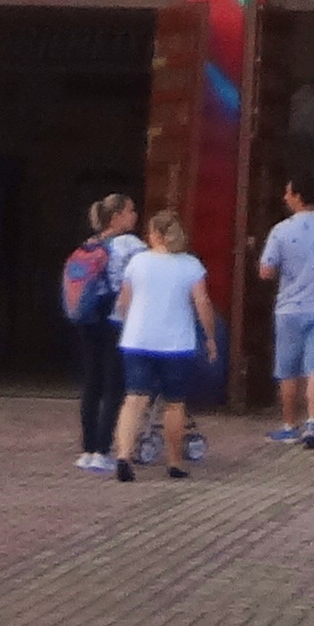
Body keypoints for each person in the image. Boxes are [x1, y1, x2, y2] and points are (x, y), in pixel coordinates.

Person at [108, 206, 213, 482]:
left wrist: (126, 322)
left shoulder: (138, 262)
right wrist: (210, 337)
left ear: (154, 233)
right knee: (174, 404)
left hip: (138, 340)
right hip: (176, 343)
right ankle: (175, 462)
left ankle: (123, 456)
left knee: (134, 400)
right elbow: (202, 303)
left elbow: (123, 302)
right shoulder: (191, 265)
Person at [258, 174, 314, 450]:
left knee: (287, 369)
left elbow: (266, 271)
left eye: (287, 193)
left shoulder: (281, 231)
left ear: (297, 196)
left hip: (290, 308)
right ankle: (312, 421)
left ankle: (288, 425)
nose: (284, 198)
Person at [61, 194, 133, 477]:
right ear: (116, 217)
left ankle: (88, 449)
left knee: (91, 382)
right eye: (130, 210)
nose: (134, 215)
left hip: (86, 318)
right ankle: (104, 450)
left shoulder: (89, 244)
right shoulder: (128, 245)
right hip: (113, 319)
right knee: (113, 384)